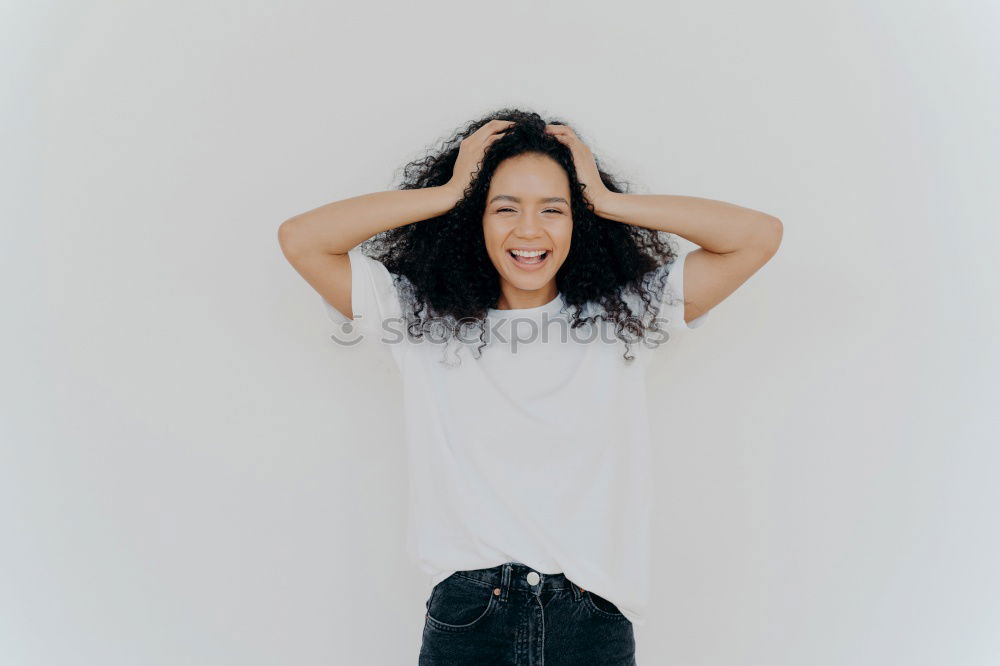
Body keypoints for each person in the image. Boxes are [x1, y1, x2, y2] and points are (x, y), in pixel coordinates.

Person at [278, 109, 782, 665]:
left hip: (591, 618)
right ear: (475, 219)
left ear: (578, 221)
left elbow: (758, 236)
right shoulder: (417, 318)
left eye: (554, 209)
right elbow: (302, 239)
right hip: (469, 616)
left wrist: (607, 203)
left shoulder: (623, 318)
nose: (528, 231)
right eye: (503, 208)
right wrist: (450, 192)